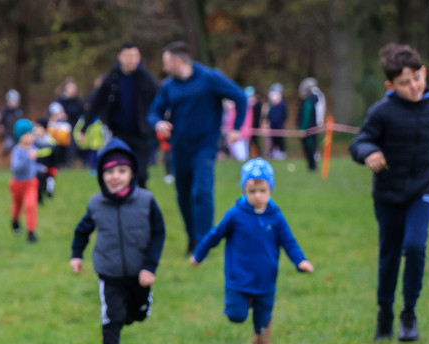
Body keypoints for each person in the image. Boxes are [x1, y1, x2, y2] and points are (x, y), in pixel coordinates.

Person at [348, 43, 429, 343]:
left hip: (424, 188)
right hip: (388, 195)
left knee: (415, 246)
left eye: (416, 79)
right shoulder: (381, 112)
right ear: (390, 85)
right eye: (404, 83)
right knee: (389, 258)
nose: (413, 86)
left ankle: (408, 313)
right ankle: (384, 313)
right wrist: (369, 152)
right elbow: (359, 143)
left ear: (423, 73)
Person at [190, 158, 314, 344]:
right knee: (236, 315)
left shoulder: (276, 216)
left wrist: (301, 261)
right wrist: (199, 254)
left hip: (266, 279)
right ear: (244, 191)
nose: (258, 196)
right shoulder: (235, 215)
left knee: (262, 321)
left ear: (270, 190)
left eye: (263, 191)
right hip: (238, 278)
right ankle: (243, 302)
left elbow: (288, 241)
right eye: (252, 191)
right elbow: (216, 234)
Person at [70, 139, 166, 344]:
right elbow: (82, 230)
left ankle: (137, 310)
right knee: (111, 315)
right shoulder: (96, 204)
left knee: (138, 313)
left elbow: (158, 233)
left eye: (121, 171)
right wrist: (77, 255)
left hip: (139, 272)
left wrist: (150, 267)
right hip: (109, 271)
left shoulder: (146, 201)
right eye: (109, 171)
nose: (115, 176)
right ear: (101, 175)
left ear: (132, 173)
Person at [148, 41, 247, 253]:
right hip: (179, 148)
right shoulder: (168, 86)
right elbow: (153, 111)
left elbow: (240, 97)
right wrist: (158, 122)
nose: (164, 69)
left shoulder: (210, 78)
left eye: (166, 63)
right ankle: (192, 237)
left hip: (205, 146)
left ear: (177, 61)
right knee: (183, 195)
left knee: (201, 192)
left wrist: (237, 128)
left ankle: (203, 242)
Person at [83, 41, 159, 187]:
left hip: (141, 134)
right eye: (127, 56)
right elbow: (97, 103)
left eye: (134, 56)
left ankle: (140, 203)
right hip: (118, 134)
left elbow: (159, 103)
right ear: (120, 57)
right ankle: (122, 203)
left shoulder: (147, 80)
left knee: (141, 174)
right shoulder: (112, 79)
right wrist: (84, 127)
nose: (131, 59)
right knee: (121, 172)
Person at [9, 118, 41, 243]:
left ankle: (31, 232)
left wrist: (40, 168)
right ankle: (15, 221)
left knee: (30, 205)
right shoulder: (17, 151)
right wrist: (28, 158)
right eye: (26, 135)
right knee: (17, 206)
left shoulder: (32, 148)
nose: (30, 137)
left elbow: (33, 166)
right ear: (20, 137)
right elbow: (16, 168)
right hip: (17, 184)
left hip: (31, 183)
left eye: (31, 134)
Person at [297, 77, 325, 171]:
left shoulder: (310, 99)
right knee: (309, 147)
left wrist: (303, 128)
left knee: (310, 146)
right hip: (310, 127)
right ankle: (311, 166)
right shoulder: (309, 99)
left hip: (309, 128)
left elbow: (306, 115)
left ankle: (312, 166)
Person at [0, 89, 25, 154]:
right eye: (12, 101)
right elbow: (1, 121)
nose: (13, 103)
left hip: (19, 134)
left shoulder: (21, 110)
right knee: (9, 145)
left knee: (18, 149)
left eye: (15, 101)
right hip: (9, 133)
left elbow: (24, 121)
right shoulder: (5, 111)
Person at [266, 84, 288, 160]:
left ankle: (282, 152)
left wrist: (284, 123)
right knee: (273, 139)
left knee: (280, 139)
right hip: (273, 125)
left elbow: (284, 115)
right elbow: (269, 115)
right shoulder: (271, 105)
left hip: (279, 125)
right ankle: (275, 152)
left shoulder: (282, 104)